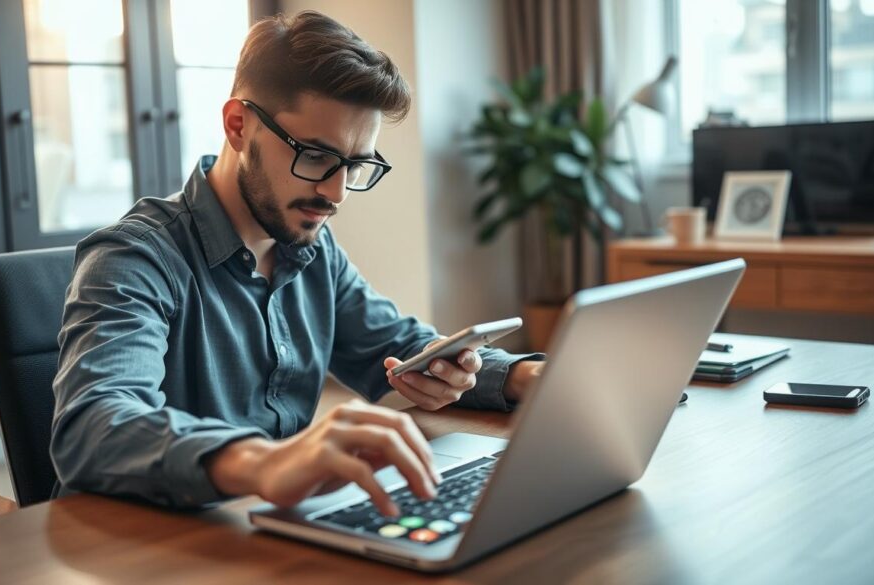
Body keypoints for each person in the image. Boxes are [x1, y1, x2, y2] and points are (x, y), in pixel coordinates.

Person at [50, 10, 544, 515]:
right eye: (313, 155)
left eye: (355, 165)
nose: (335, 193)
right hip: (142, 546)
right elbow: (94, 425)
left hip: (263, 532)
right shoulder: (133, 258)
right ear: (238, 125)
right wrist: (265, 463)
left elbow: (399, 348)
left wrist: (525, 378)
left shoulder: (312, 249)